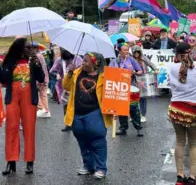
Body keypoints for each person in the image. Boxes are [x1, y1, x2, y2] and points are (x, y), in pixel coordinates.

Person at [0, 38, 45, 175]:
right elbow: (4, 80)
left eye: (30, 48)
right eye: (27, 48)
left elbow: (41, 79)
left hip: (29, 98)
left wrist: (37, 65)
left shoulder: (34, 61)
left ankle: (29, 161)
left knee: (29, 129)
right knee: (11, 128)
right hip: (13, 98)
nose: (30, 50)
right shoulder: (10, 61)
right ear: (20, 49)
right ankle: (11, 161)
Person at [168, 21, 196, 185]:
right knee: (193, 143)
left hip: (176, 108)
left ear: (176, 55)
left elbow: (171, 88)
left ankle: (179, 175)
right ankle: (191, 177)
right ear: (191, 52)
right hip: (193, 110)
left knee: (179, 141)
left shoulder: (171, 67)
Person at [63, 52, 112, 180]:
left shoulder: (105, 76)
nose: (82, 62)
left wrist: (115, 109)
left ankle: (101, 168)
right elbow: (66, 86)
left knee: (97, 141)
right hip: (77, 113)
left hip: (95, 112)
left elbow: (113, 94)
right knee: (82, 141)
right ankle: (88, 166)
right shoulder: (76, 72)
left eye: (86, 61)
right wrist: (69, 73)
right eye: (83, 60)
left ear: (94, 64)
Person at [110, 43, 144, 136]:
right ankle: (123, 128)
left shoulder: (132, 60)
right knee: (121, 109)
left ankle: (138, 128)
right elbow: (109, 73)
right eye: (124, 50)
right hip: (119, 88)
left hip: (131, 88)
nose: (126, 52)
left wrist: (134, 73)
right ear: (119, 51)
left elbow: (140, 71)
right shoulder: (114, 62)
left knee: (134, 109)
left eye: (127, 49)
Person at [50, 49, 83, 131]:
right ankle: (68, 124)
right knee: (66, 106)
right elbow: (52, 71)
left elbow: (84, 71)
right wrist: (57, 74)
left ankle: (77, 123)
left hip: (76, 85)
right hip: (64, 86)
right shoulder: (60, 60)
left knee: (76, 105)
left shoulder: (78, 59)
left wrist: (75, 70)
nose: (67, 61)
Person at [131, 45, 158, 123]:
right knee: (133, 98)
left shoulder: (144, 58)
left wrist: (155, 69)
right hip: (134, 79)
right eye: (135, 52)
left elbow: (151, 64)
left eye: (138, 52)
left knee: (143, 98)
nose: (136, 53)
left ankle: (143, 115)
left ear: (140, 52)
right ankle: (134, 114)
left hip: (144, 79)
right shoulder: (130, 59)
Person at [33, 44, 50, 119]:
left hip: (40, 79)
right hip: (45, 77)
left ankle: (41, 108)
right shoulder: (41, 55)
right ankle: (46, 110)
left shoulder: (36, 57)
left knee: (36, 93)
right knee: (43, 94)